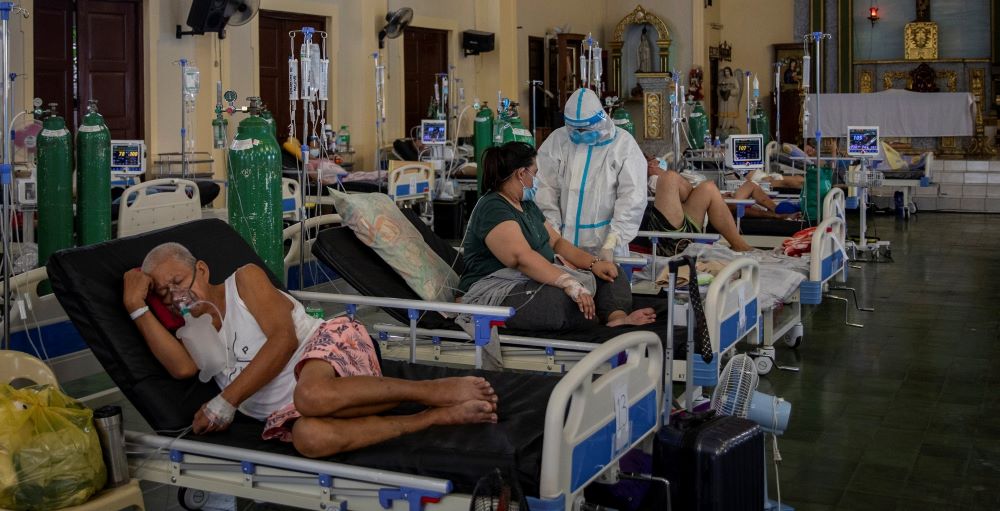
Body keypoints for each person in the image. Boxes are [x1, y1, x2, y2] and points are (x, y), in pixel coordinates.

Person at [122, 243, 498, 457]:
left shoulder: (243, 282)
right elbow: (183, 370)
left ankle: (431, 391)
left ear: (201, 270)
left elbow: (284, 341)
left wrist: (225, 402)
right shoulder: (193, 333)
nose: (177, 296)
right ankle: (429, 418)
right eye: (164, 294)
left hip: (324, 353)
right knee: (309, 438)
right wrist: (136, 307)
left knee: (312, 394)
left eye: (179, 282)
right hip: (295, 410)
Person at [459, 141, 656, 331]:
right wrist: (569, 283)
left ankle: (617, 319)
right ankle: (594, 318)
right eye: (534, 173)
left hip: (537, 277)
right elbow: (521, 259)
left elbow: (557, 242)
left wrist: (594, 264)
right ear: (521, 174)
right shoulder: (493, 208)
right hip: (499, 288)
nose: (537, 180)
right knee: (558, 301)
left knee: (612, 273)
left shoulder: (526, 205)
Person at [535, 88, 647, 260]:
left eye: (585, 129)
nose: (580, 135)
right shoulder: (558, 141)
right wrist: (552, 234)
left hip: (606, 248)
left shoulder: (622, 146)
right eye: (576, 129)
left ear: (599, 121)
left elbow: (632, 198)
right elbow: (545, 190)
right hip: (563, 246)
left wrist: (612, 241)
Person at [644, 157, 754, 254]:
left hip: (684, 229)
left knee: (708, 187)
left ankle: (740, 246)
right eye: (651, 162)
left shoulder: (656, 178)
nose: (652, 164)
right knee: (670, 176)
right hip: (666, 241)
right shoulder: (650, 178)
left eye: (654, 162)